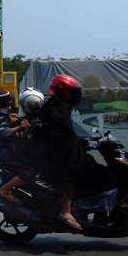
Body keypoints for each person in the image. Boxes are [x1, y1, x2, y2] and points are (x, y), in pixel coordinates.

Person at [34, 74, 85, 230]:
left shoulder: (59, 105)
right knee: (74, 171)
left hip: (51, 150)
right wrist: (79, 142)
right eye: (72, 91)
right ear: (64, 91)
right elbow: (65, 133)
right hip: (54, 153)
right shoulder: (58, 108)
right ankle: (66, 211)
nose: (75, 94)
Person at [0, 88, 44, 204]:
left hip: (9, 153)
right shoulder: (2, 117)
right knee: (29, 172)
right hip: (8, 155)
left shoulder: (5, 116)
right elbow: (2, 133)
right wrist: (19, 127)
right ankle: (4, 189)